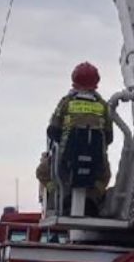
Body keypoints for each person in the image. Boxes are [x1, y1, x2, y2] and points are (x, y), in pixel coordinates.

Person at [41, 62, 113, 216]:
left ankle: (61, 195)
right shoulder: (103, 105)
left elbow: (53, 129)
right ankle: (92, 199)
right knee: (105, 176)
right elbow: (109, 136)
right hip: (97, 161)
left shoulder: (66, 102)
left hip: (66, 160)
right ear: (96, 84)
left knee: (42, 171)